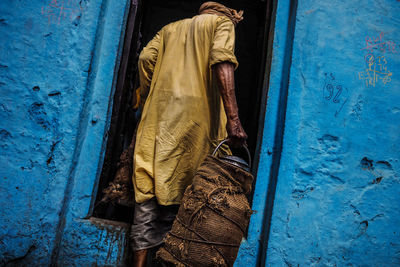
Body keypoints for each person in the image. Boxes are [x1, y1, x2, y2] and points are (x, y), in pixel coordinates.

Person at [130, 2, 247, 266]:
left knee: (149, 189)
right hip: (199, 121)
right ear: (228, 13)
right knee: (194, 193)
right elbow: (222, 59)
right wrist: (234, 119)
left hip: (158, 120)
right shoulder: (222, 24)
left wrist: (150, 96)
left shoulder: (169, 29)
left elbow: (145, 59)